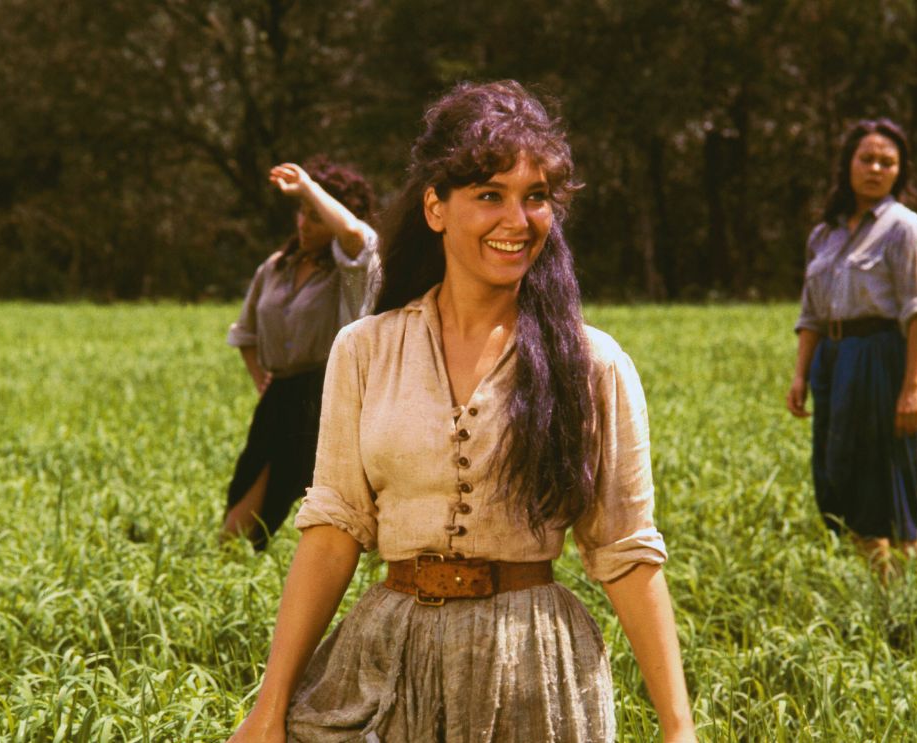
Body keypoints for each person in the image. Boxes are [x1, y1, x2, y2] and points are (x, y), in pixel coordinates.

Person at [228, 81, 695, 743]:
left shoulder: (592, 364)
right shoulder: (365, 349)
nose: (517, 220)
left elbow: (626, 553)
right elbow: (332, 530)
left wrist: (680, 729)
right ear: (435, 208)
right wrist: (268, 709)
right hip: (388, 654)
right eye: (489, 195)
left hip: (531, 665)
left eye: (535, 197)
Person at [786, 119, 917, 579]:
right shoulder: (825, 234)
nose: (875, 168)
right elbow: (811, 314)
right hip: (832, 362)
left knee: (887, 474)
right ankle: (882, 579)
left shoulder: (904, 228)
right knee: (838, 472)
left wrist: (911, 387)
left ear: (900, 171)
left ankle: (902, 590)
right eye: (866, 158)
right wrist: (801, 374)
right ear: (848, 163)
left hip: (883, 359)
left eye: (887, 162)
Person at [221, 156, 379, 549]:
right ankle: (237, 571)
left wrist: (308, 186)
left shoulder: (350, 273)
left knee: (331, 508)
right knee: (243, 514)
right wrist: (262, 381)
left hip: (329, 395)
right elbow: (245, 335)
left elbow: (356, 236)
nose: (305, 224)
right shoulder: (276, 268)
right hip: (280, 398)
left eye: (316, 215)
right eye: (301, 213)